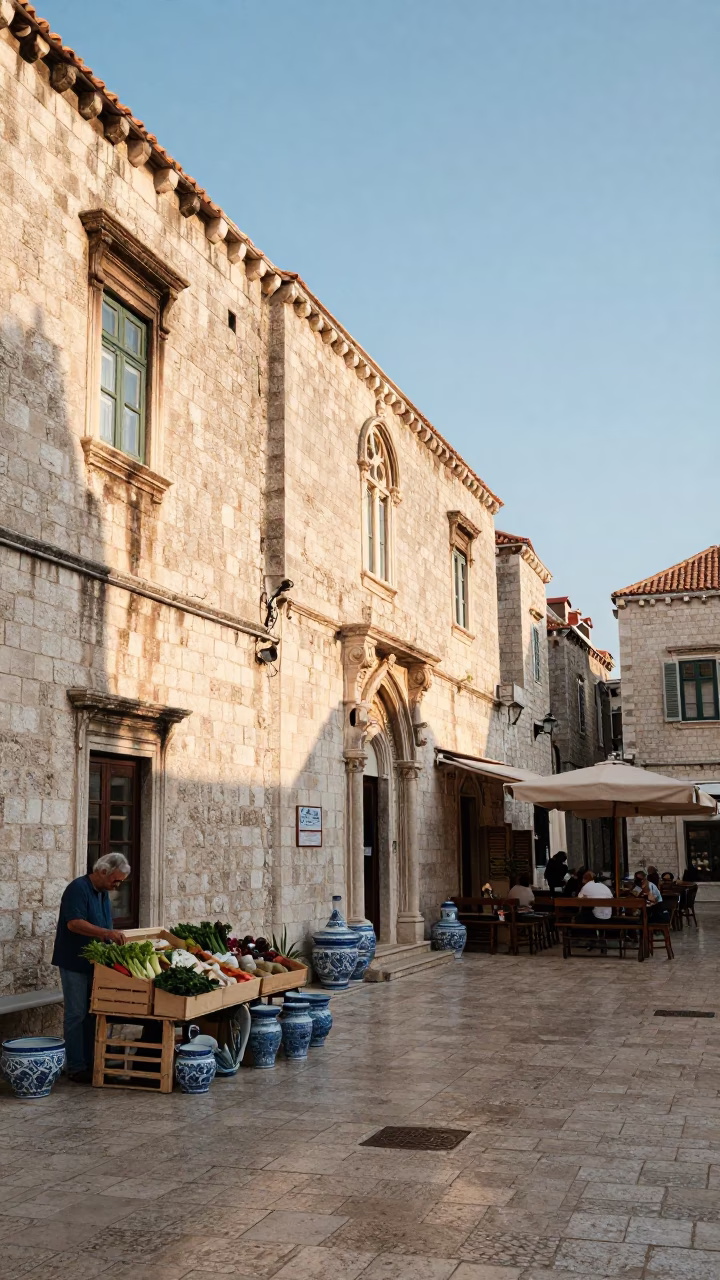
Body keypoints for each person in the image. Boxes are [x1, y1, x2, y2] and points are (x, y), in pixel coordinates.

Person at [52, 853, 130, 1083]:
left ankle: (91, 1062)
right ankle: (75, 1066)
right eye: (115, 880)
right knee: (76, 1013)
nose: (117, 885)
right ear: (103, 871)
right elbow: (74, 923)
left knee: (92, 1012)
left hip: (95, 962)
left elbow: (106, 924)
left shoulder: (103, 894)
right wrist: (106, 934)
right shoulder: (77, 888)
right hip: (74, 961)